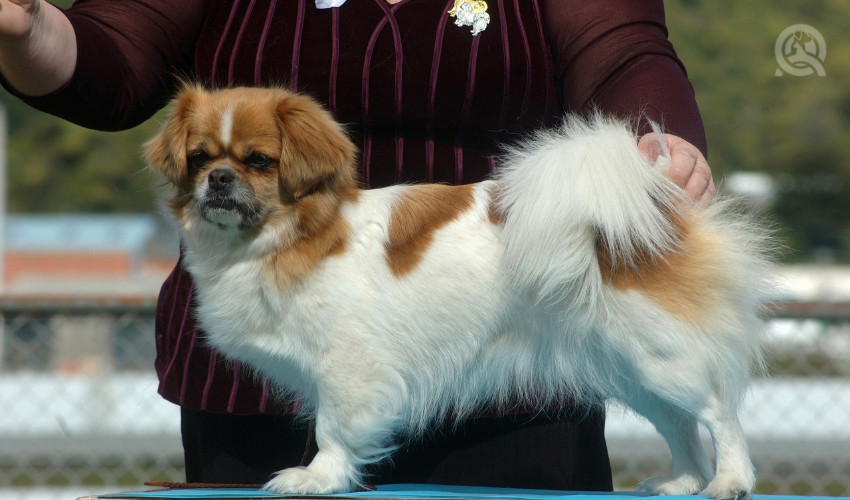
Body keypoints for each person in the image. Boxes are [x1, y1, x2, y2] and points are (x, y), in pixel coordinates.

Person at [0, 0, 715, 490]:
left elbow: (624, 50)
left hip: (510, 360)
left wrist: (660, 143)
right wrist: (28, 23)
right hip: (263, 396)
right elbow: (113, 54)